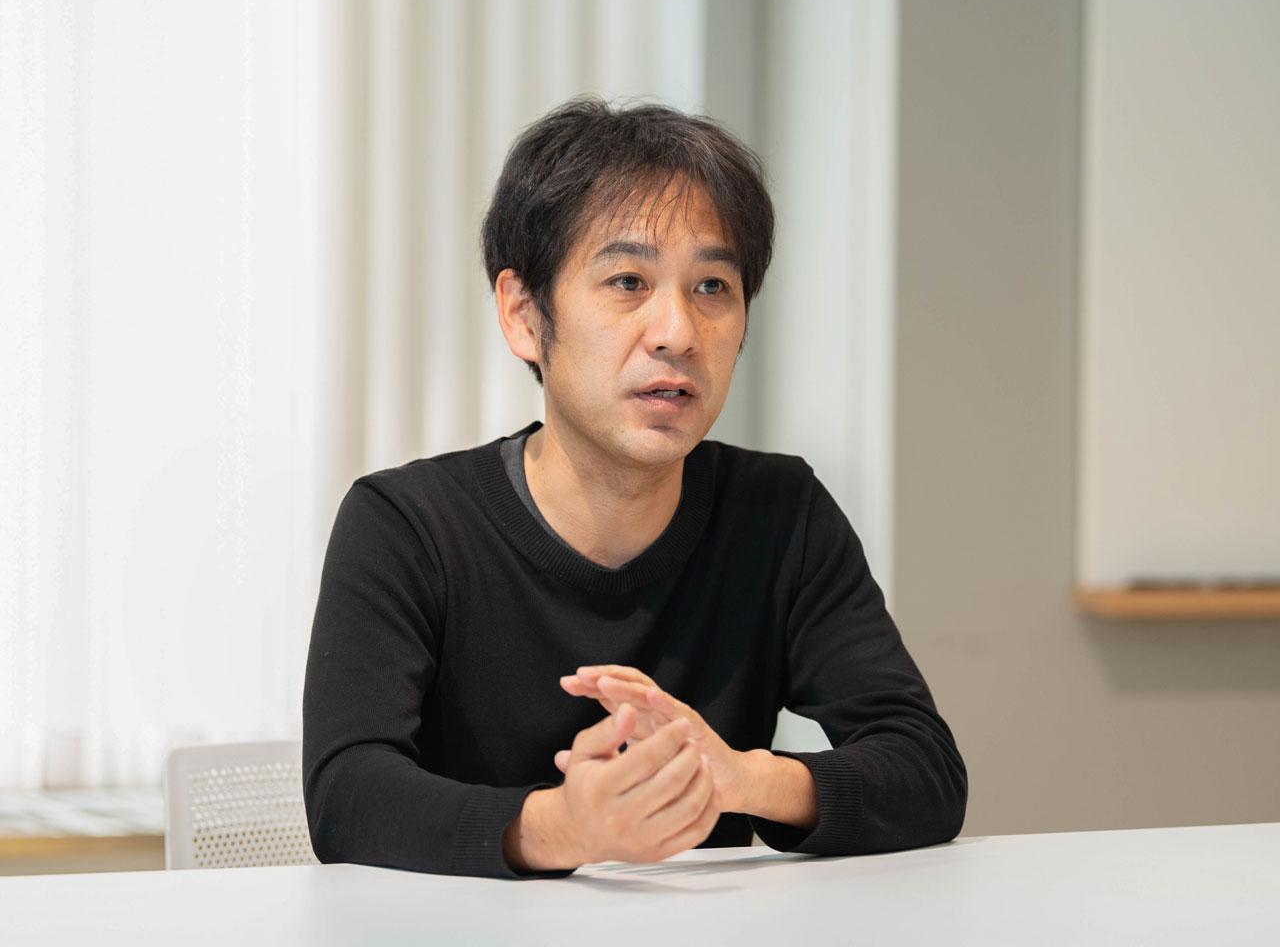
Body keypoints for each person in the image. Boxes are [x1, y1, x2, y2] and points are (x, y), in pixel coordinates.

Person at [302, 97, 967, 880]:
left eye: (712, 287)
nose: (678, 332)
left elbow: (926, 770)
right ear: (524, 315)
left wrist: (738, 778)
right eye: (627, 281)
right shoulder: (407, 525)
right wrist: (562, 828)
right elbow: (348, 795)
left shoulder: (779, 514)